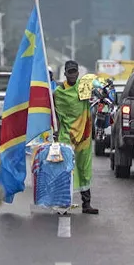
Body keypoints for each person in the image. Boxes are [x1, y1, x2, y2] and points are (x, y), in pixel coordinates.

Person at [53, 60, 99, 215]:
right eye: (70, 72)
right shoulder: (59, 93)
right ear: (65, 73)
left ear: (78, 73)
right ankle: (63, 204)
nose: (72, 75)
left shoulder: (83, 87)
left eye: (74, 72)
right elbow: (55, 114)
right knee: (65, 170)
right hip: (67, 136)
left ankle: (86, 204)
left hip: (84, 136)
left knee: (84, 168)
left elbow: (97, 88)